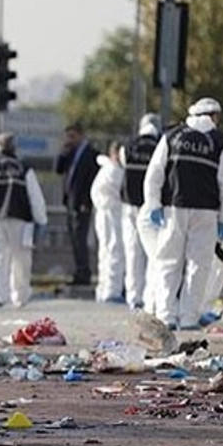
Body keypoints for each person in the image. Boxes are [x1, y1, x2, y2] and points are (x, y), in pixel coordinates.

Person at [141, 98, 223, 329]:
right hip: (206, 213)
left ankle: (166, 316)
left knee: (169, 263)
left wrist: (153, 204)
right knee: (199, 266)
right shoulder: (219, 142)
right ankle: (189, 318)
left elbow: (155, 173)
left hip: (173, 208)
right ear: (214, 117)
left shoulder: (172, 136)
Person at [0, 132, 48, 307]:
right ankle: (20, 297)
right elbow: (35, 197)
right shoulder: (24, 168)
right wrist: (41, 220)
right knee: (21, 261)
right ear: (15, 147)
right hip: (21, 221)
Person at [120, 114, 162, 310]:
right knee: (153, 254)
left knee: (132, 252)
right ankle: (149, 296)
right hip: (151, 206)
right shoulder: (160, 146)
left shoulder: (128, 145)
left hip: (129, 205)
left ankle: (133, 296)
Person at [55, 122, 100, 286]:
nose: (70, 140)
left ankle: (84, 272)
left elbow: (92, 180)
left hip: (82, 203)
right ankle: (79, 270)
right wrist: (64, 150)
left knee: (80, 238)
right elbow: (58, 169)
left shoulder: (91, 154)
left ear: (81, 135)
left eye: (73, 137)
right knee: (74, 238)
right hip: (70, 201)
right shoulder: (70, 153)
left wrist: (87, 202)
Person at [90, 142, 125, 303]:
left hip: (105, 214)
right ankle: (112, 290)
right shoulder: (114, 171)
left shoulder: (107, 169)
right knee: (114, 250)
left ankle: (104, 289)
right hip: (112, 214)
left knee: (106, 252)